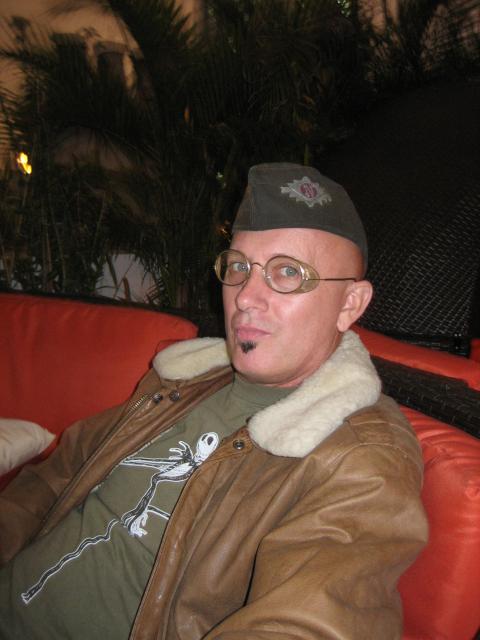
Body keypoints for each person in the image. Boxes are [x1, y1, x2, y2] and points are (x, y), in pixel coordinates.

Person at [0, 163, 427, 639]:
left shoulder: (362, 456)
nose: (246, 297)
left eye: (288, 272)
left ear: (350, 304)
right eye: (239, 267)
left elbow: (311, 624)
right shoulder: (182, 381)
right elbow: (58, 475)